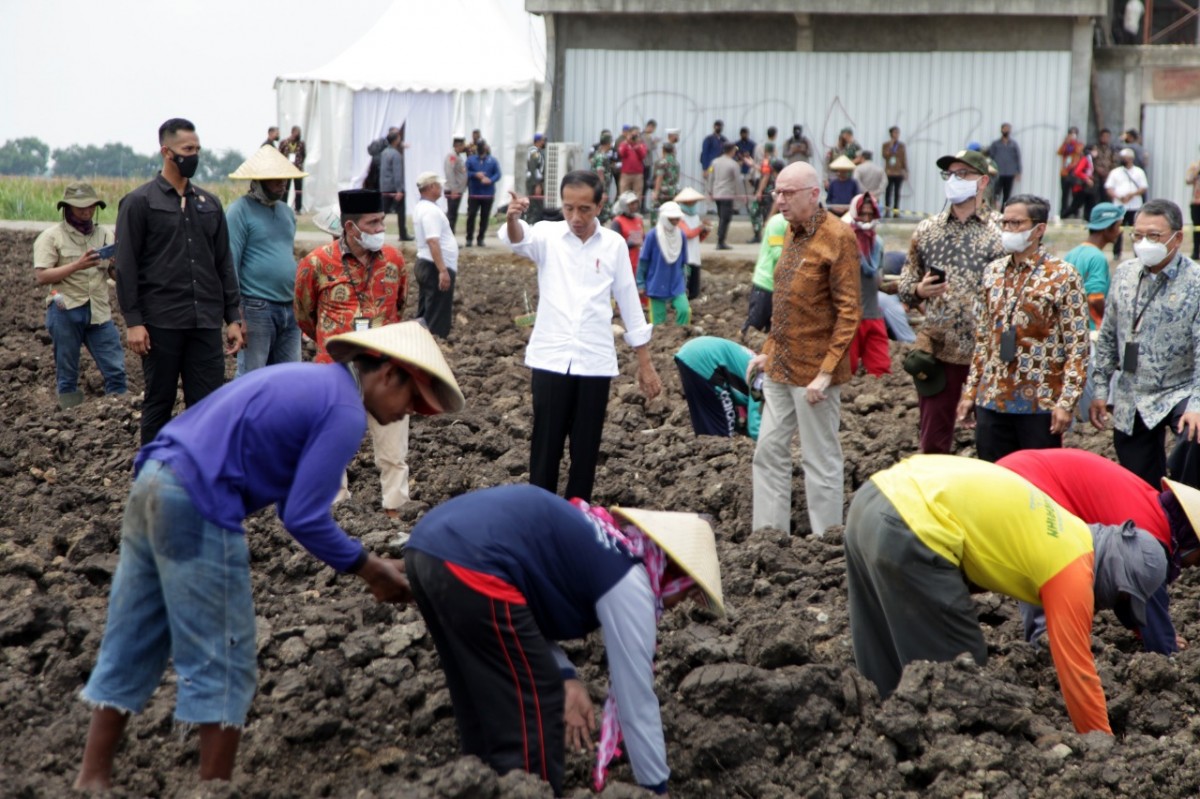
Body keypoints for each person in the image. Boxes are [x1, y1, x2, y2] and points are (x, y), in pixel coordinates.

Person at [73, 322, 461, 791]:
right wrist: (369, 568)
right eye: (410, 405)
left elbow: (286, 494)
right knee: (225, 660)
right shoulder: (344, 411)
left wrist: (367, 560)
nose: (404, 417)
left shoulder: (312, 381)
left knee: (134, 635)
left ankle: (92, 780)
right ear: (389, 376)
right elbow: (302, 516)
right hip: (200, 501)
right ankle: (212, 788)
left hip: (154, 480)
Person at [403, 485, 723, 796]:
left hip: (426, 548)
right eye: (688, 593)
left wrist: (567, 677)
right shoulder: (628, 579)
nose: (680, 604)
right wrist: (656, 788)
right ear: (677, 576)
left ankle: (475, 784)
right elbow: (636, 700)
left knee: (478, 700)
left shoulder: (605, 539)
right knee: (535, 710)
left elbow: (521, 609)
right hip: (472, 562)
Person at [845, 454, 1167, 736]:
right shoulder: (1073, 571)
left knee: (881, 646)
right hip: (908, 525)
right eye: (1122, 600)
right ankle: (948, 760)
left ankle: (879, 732)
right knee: (960, 675)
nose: (1109, 606)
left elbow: (988, 552)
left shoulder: (1069, 528)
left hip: (874, 499)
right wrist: (1100, 742)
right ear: (1118, 578)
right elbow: (1077, 671)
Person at [502, 171, 663, 502]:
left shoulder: (614, 245)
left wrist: (645, 363)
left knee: (586, 449)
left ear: (601, 205)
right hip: (551, 358)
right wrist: (513, 218)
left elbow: (630, 303)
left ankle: (578, 519)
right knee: (545, 446)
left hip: (594, 360)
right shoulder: (547, 235)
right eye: (568, 208)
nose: (576, 218)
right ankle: (540, 515)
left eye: (585, 209)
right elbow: (517, 240)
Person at [116, 118, 244, 446]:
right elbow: (126, 266)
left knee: (209, 405)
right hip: (161, 323)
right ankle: (153, 479)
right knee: (159, 401)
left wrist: (233, 317)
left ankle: (204, 475)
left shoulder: (209, 204)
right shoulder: (140, 202)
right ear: (166, 152)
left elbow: (223, 264)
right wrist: (134, 321)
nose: (194, 155)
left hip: (204, 321)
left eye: (198, 149)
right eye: (188, 149)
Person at [998, 448, 1200, 655]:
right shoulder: (1149, 538)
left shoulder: (1151, 509)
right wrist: (1166, 649)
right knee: (1051, 566)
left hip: (1014, 474)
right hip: (1026, 485)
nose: (1193, 565)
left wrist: (1145, 631)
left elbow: (1124, 588)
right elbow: (1146, 593)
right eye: (1198, 559)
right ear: (1191, 538)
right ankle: (1045, 649)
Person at [749, 162, 860, 537]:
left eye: (787, 193)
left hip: (815, 373)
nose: (779, 200)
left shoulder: (838, 237)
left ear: (814, 194)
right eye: (777, 192)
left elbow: (849, 311)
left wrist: (827, 372)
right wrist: (767, 349)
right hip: (780, 365)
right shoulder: (789, 233)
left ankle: (827, 537)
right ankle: (768, 534)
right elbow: (783, 304)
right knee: (768, 451)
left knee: (820, 457)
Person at [294, 189, 413, 517]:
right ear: (350, 227)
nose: (380, 229)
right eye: (372, 223)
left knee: (393, 449)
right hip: (335, 369)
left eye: (381, 221)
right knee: (331, 446)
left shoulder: (395, 260)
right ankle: (337, 512)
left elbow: (399, 306)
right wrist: (331, 342)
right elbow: (305, 314)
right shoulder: (316, 263)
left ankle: (396, 511)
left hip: (385, 367)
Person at [956, 194, 1089, 461]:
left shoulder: (1063, 274)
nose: (1007, 229)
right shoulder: (993, 272)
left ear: (1039, 229)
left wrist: (1066, 402)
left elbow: (1078, 345)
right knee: (994, 479)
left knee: (1037, 485)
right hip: (993, 398)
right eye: (1004, 223)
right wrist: (970, 392)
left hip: (1040, 404)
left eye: (1016, 223)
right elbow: (983, 338)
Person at [897, 148, 1004, 454]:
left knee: (992, 444)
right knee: (933, 441)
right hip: (940, 350)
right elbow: (904, 282)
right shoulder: (927, 230)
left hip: (989, 354)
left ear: (982, 182)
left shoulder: (1001, 230)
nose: (954, 180)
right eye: (949, 175)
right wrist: (918, 290)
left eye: (963, 174)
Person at [1091, 199, 1200, 489]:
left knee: (1194, 440)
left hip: (1181, 387)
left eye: (1154, 236)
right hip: (1132, 390)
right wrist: (1100, 389)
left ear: (1178, 237)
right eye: (1138, 235)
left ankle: (1187, 519)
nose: (1144, 243)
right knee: (1138, 482)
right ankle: (1150, 529)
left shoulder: (1195, 281)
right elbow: (1108, 335)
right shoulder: (1125, 274)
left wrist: (1198, 404)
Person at [33, 182, 126, 409]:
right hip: (65, 309)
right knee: (67, 373)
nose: (87, 211)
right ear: (67, 207)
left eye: (91, 207)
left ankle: (117, 411)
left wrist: (116, 266)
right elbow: (43, 276)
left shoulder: (106, 235)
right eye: (80, 207)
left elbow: (113, 274)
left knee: (115, 369)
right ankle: (69, 418)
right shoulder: (51, 237)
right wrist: (78, 265)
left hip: (99, 311)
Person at [225, 145, 306, 376]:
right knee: (253, 377)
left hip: (289, 307)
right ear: (258, 181)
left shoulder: (286, 212)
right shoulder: (239, 211)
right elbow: (231, 264)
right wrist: (238, 317)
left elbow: (285, 253)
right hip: (256, 307)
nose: (282, 185)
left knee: (290, 377)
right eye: (275, 180)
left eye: (284, 180)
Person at [675, 336, 762, 439]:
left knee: (707, 423)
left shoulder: (762, 367)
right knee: (721, 434)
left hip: (690, 354)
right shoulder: (765, 381)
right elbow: (756, 427)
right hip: (706, 361)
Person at [842, 194, 889, 377]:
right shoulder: (844, 239)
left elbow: (878, 279)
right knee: (846, 371)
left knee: (880, 370)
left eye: (870, 214)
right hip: (848, 317)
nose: (867, 218)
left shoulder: (877, 244)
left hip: (872, 313)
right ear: (855, 213)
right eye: (862, 213)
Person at [412, 172, 459, 340]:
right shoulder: (430, 211)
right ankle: (432, 346)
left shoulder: (422, 207)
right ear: (431, 187)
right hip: (434, 265)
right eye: (439, 185)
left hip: (428, 263)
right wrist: (442, 270)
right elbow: (433, 241)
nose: (441, 189)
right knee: (436, 314)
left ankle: (419, 343)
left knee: (427, 309)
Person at [1064, 202, 1124, 331]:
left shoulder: (1071, 254)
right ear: (1108, 227)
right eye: (1118, 226)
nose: (1119, 232)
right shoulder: (1097, 257)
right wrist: (1108, 324)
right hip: (1089, 331)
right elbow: (1095, 297)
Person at [637, 201, 690, 326]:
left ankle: (681, 335)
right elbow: (643, 260)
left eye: (677, 218)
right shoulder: (652, 236)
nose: (676, 221)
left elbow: (684, 262)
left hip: (676, 283)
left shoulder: (681, 235)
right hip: (656, 283)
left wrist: (685, 282)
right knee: (658, 322)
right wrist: (640, 284)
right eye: (672, 218)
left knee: (684, 310)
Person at [743, 212, 788, 334]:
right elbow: (777, 253)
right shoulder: (778, 222)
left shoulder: (801, 224)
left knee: (776, 329)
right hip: (767, 283)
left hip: (784, 285)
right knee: (755, 323)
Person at [1105, 147, 1148, 259]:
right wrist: (1118, 196)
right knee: (1118, 230)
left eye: (1125, 158)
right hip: (1119, 206)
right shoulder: (1115, 172)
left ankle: (1137, 253)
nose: (1123, 160)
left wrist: (1131, 195)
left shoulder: (1139, 172)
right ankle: (1116, 253)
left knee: (1136, 231)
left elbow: (1143, 187)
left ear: (1131, 159)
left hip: (1134, 206)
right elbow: (1109, 188)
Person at [675, 187, 710, 299]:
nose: (693, 204)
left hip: (695, 257)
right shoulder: (679, 217)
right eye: (691, 202)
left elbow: (696, 239)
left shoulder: (695, 217)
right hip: (685, 258)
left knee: (694, 290)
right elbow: (687, 234)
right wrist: (700, 228)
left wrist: (705, 231)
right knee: (685, 288)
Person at [465, 139, 501, 247]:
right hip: (474, 193)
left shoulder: (492, 160)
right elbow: (465, 172)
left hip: (487, 193)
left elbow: (498, 174)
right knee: (471, 215)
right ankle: (469, 238)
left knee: (485, 217)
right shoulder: (471, 160)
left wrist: (490, 180)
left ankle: (481, 238)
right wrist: (475, 174)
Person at [380, 130, 412, 242]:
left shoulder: (384, 152)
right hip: (394, 188)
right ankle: (403, 234)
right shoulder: (396, 154)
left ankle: (373, 230)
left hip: (385, 187)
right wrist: (399, 190)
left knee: (383, 212)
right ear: (395, 140)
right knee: (401, 211)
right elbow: (397, 173)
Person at [710, 142, 741, 250]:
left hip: (717, 194)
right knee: (725, 218)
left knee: (721, 217)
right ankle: (720, 241)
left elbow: (710, 177)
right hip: (727, 195)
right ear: (732, 151)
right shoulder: (733, 164)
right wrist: (740, 195)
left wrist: (710, 191)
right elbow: (738, 181)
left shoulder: (715, 162)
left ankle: (720, 239)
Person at [610, 191, 645, 282]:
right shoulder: (617, 221)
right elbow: (615, 245)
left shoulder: (639, 220)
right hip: (625, 263)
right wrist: (633, 242)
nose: (634, 206)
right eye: (631, 204)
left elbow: (643, 239)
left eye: (635, 203)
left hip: (639, 263)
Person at [988, 124, 1022, 208]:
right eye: (1005, 129)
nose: (1006, 130)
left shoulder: (1013, 144)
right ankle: (994, 208)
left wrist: (1018, 171)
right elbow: (990, 157)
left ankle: (1004, 211)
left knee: (1007, 194)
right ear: (1001, 130)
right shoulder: (995, 144)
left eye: (1008, 129)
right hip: (998, 172)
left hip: (1010, 173)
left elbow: (1017, 158)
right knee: (996, 193)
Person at [1062, 142, 1096, 220]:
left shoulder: (1090, 160)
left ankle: (1089, 220)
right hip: (1081, 187)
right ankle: (1063, 216)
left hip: (1086, 188)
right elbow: (1077, 172)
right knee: (1075, 206)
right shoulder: (1085, 159)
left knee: (1090, 204)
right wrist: (1087, 179)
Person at [1056, 127, 1084, 218]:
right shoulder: (1065, 144)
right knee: (1065, 193)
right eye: (1071, 134)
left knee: (1075, 193)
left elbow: (1079, 151)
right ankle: (1063, 212)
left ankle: (1074, 212)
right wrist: (1066, 143)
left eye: (1074, 134)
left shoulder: (1079, 144)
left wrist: (1073, 143)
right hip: (1065, 172)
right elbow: (1059, 152)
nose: (1072, 136)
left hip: (1075, 173)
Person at [650, 141, 680, 222]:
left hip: (662, 192)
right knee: (671, 212)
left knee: (656, 211)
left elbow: (659, 177)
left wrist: (656, 192)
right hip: (673, 191)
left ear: (663, 150)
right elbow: (677, 178)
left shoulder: (662, 162)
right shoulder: (676, 163)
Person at [444, 134, 468, 233]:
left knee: (454, 215)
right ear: (458, 145)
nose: (464, 147)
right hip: (453, 190)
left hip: (458, 189)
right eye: (463, 145)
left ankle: (451, 236)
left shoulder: (458, 156)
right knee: (451, 215)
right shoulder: (452, 156)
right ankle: (449, 237)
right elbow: (450, 172)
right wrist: (454, 189)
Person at [279, 125, 306, 213]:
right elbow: (279, 154)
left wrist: (299, 163)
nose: (298, 135)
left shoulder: (301, 144)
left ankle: (298, 208)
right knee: (285, 189)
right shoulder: (284, 142)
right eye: (297, 133)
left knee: (298, 189)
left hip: (297, 169)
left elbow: (304, 155)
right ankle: (283, 206)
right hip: (286, 169)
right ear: (292, 132)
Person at [590, 134, 616, 224]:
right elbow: (599, 172)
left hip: (600, 188)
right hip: (600, 190)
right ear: (608, 143)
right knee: (602, 213)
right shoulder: (601, 156)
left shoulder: (598, 154)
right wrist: (602, 191)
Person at [882, 127, 907, 218]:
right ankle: (887, 211)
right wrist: (891, 146)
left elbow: (904, 159)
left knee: (897, 193)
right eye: (895, 133)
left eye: (898, 133)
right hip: (889, 172)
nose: (897, 135)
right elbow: (885, 155)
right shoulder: (886, 145)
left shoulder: (901, 146)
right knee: (888, 192)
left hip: (898, 172)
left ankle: (896, 212)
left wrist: (905, 170)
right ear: (891, 134)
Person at [617, 126, 648, 198]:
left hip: (638, 174)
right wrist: (627, 142)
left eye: (637, 134)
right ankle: (623, 209)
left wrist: (637, 147)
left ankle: (636, 209)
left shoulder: (641, 145)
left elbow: (643, 156)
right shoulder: (624, 144)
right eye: (633, 135)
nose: (635, 137)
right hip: (626, 174)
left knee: (637, 195)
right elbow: (621, 153)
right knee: (623, 194)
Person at [1093, 129, 1116, 212]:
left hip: (1108, 177)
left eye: (1107, 137)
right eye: (1104, 136)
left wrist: (1109, 173)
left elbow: (1115, 162)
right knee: (1095, 197)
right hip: (1095, 177)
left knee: (1107, 197)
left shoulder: (1112, 148)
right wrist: (1097, 169)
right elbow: (1090, 161)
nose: (1105, 138)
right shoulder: (1095, 147)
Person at [699, 120, 727, 191]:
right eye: (717, 126)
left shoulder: (724, 140)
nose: (719, 127)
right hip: (710, 166)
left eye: (720, 126)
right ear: (714, 127)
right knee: (709, 183)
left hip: (721, 166)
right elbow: (704, 154)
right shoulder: (709, 139)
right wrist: (705, 169)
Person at [526, 133, 547, 224]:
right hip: (534, 183)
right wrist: (537, 184)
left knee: (537, 205)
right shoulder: (534, 152)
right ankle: (531, 224)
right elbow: (533, 168)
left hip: (537, 182)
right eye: (543, 140)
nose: (544, 142)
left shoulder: (538, 152)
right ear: (538, 141)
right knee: (535, 205)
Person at [1186, 147, 1200, 260]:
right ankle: (1196, 251)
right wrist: (1196, 171)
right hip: (1196, 202)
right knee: (1196, 228)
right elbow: (1188, 180)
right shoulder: (1195, 166)